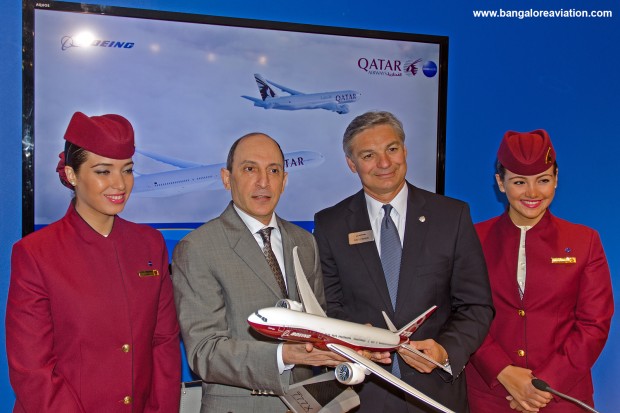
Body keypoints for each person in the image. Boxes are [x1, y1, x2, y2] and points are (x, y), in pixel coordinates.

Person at [313, 111, 495, 412]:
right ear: (351, 163)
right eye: (369, 155)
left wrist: (445, 350)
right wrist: (355, 341)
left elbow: (476, 305)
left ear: (405, 150)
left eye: (392, 149)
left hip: (436, 394)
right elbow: (329, 308)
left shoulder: (452, 217)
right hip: (363, 396)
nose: (384, 163)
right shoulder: (330, 225)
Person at [6, 112, 181, 412]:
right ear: (72, 175)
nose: (120, 184)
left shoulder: (149, 244)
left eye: (126, 170)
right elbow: (32, 370)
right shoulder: (36, 253)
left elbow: (163, 342)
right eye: (103, 171)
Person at [172, 133, 355, 413]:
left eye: (273, 170)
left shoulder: (305, 243)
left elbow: (319, 326)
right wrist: (282, 355)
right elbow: (204, 352)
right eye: (249, 169)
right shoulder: (198, 247)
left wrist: (355, 341)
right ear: (226, 178)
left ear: (284, 180)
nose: (263, 181)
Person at [465, 129, 614, 413]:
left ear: (556, 180)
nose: (532, 193)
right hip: (490, 394)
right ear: (500, 182)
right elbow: (464, 313)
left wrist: (544, 384)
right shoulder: (472, 239)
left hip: (561, 396)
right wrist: (503, 371)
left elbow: (594, 325)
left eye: (543, 180)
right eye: (519, 182)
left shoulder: (585, 241)